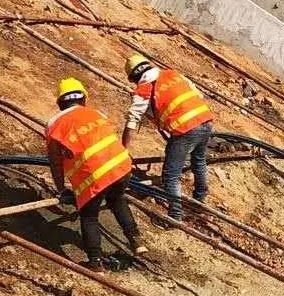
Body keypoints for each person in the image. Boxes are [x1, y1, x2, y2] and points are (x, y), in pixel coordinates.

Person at [46, 77, 142, 270]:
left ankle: (95, 261)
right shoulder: (96, 113)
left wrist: (61, 189)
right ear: (83, 98)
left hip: (94, 177)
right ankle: (137, 242)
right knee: (118, 200)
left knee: (89, 216)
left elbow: (56, 163)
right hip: (120, 166)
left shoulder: (54, 125)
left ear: (60, 102)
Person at [121, 53, 214, 222]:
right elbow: (197, 95)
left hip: (185, 129)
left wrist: (123, 149)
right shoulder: (173, 74)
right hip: (205, 119)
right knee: (199, 161)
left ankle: (175, 216)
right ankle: (199, 199)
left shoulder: (144, 89)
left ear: (134, 76)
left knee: (170, 175)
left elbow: (132, 120)